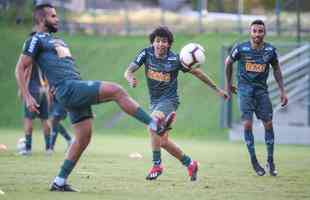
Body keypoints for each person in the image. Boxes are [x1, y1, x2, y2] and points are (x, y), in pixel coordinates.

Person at [15, 4, 173, 192]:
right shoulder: (35, 40)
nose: (57, 19)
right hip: (69, 89)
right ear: (42, 19)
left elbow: (54, 67)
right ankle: (156, 125)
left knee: (83, 137)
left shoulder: (55, 40)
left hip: (72, 90)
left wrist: (55, 88)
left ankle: (59, 181)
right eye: (53, 16)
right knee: (117, 90)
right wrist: (27, 96)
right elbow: (21, 67)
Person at [124, 26, 228, 181]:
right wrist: (130, 78)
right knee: (163, 142)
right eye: (157, 41)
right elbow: (128, 71)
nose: (160, 44)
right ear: (153, 42)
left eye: (164, 41)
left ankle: (157, 165)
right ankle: (190, 164)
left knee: (151, 124)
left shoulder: (176, 60)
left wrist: (217, 89)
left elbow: (197, 73)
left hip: (169, 101)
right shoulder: (146, 53)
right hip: (155, 102)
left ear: (169, 44)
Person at [224, 19, 288, 176]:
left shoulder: (270, 51)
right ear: (250, 32)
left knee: (268, 124)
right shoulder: (241, 48)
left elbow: (277, 70)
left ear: (264, 33)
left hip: (261, 92)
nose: (257, 34)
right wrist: (228, 83)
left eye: (260, 31)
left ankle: (271, 161)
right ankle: (254, 161)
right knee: (247, 125)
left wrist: (282, 91)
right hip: (245, 91)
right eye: (255, 31)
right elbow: (228, 62)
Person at [19, 63, 51, 155]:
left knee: (28, 119)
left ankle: (28, 149)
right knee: (45, 120)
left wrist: (22, 90)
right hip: (43, 91)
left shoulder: (30, 56)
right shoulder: (44, 57)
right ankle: (48, 149)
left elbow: (27, 72)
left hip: (32, 90)